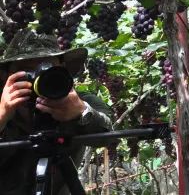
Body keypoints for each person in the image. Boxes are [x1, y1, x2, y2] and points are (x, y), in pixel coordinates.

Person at [0, 32, 113, 195]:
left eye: (46, 69)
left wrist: (81, 113)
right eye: (27, 71)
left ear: (62, 69)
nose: (37, 78)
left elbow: (108, 136)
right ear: (6, 75)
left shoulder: (80, 102)